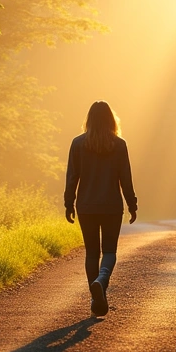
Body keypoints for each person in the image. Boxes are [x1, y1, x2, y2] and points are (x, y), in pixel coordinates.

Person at [64, 100, 138, 317]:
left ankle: (96, 299)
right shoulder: (119, 144)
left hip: (86, 207)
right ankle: (101, 281)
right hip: (111, 206)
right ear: (111, 120)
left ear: (89, 120)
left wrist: (69, 203)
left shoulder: (77, 144)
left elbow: (72, 178)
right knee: (109, 251)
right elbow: (126, 178)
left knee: (91, 253)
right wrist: (132, 204)